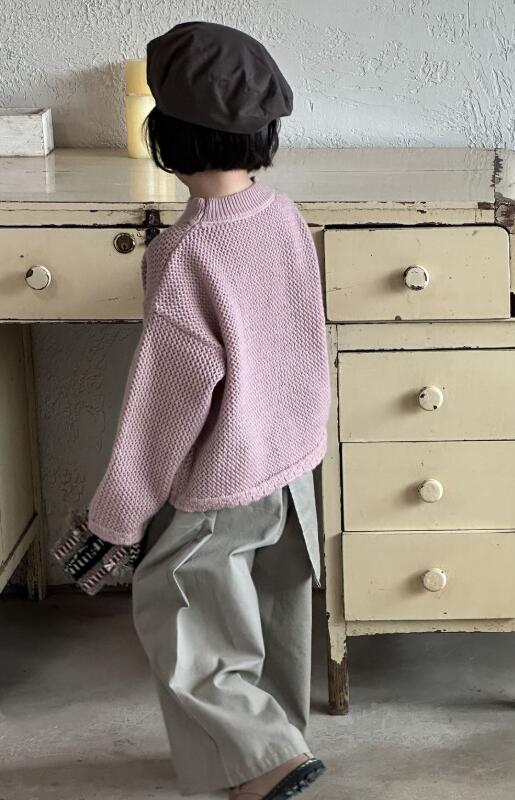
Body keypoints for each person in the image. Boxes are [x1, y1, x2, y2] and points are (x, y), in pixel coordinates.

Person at [87, 21, 330, 799]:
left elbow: (162, 406)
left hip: (221, 476)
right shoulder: (281, 214)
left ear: (165, 135)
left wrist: (116, 517)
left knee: (184, 615)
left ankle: (264, 762)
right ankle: (275, 739)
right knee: (272, 610)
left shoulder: (186, 253)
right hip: (288, 462)